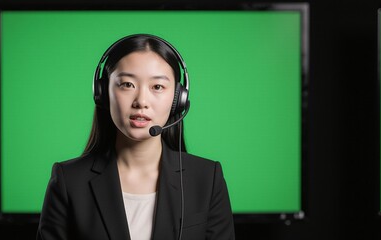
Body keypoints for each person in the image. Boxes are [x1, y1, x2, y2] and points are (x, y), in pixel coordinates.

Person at [36, 33, 235, 240]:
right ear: (103, 92)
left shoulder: (207, 179)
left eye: (157, 87)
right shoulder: (68, 181)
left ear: (178, 99)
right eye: (127, 84)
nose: (141, 101)